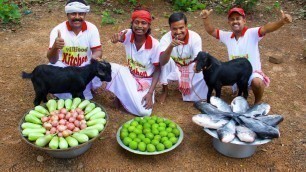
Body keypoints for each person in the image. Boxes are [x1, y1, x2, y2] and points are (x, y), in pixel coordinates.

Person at [201, 7, 292, 104]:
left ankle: (256, 104)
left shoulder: (252, 33)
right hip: (236, 74)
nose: (235, 21)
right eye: (232, 19)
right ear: (228, 22)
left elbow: (266, 28)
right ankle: (238, 91)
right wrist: (206, 19)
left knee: (257, 82)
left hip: (252, 73)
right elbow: (211, 31)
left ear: (244, 21)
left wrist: (281, 22)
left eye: (238, 18)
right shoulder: (227, 36)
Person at [107, 7, 161, 116]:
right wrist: (116, 39)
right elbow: (120, 38)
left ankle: (125, 95)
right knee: (109, 68)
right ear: (132, 24)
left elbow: (158, 69)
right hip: (129, 75)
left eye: (144, 23)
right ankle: (119, 96)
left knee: (144, 112)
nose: (140, 26)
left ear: (149, 26)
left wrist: (150, 93)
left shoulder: (155, 44)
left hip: (145, 81)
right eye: (136, 22)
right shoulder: (127, 34)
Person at [47, 0, 103, 100]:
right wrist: (55, 47)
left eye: (81, 14)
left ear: (85, 14)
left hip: (83, 68)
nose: (77, 17)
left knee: (102, 67)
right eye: (73, 13)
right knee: (51, 68)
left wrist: (94, 60)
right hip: (65, 69)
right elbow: (52, 60)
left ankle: (88, 87)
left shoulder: (92, 28)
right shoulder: (57, 30)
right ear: (67, 14)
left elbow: (97, 51)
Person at [159, 12, 208, 103]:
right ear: (170, 28)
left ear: (186, 26)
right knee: (164, 60)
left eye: (181, 28)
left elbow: (198, 57)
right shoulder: (165, 39)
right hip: (174, 66)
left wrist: (197, 66)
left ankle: (192, 91)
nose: (178, 32)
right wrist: (170, 47)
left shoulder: (195, 37)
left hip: (190, 65)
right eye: (174, 29)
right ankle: (165, 90)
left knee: (203, 69)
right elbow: (162, 61)